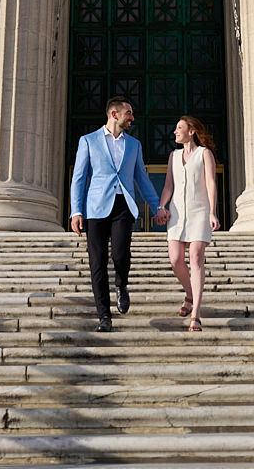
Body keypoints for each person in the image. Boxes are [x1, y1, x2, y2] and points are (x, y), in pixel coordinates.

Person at [70, 96, 168, 332]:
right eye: (129, 113)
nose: (132, 118)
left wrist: (157, 206)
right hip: (95, 208)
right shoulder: (88, 141)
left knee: (121, 254)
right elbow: (79, 178)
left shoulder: (134, 145)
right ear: (114, 114)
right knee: (97, 263)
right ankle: (104, 316)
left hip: (123, 204)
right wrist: (76, 210)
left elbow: (142, 180)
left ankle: (121, 285)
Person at [159, 114, 219, 331]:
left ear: (191, 131)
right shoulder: (173, 156)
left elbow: (211, 183)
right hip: (176, 214)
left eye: (179, 128)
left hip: (200, 212)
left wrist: (213, 212)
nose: (175, 131)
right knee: (175, 260)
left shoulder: (205, 154)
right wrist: (161, 206)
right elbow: (168, 186)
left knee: (196, 257)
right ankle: (190, 294)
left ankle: (196, 315)